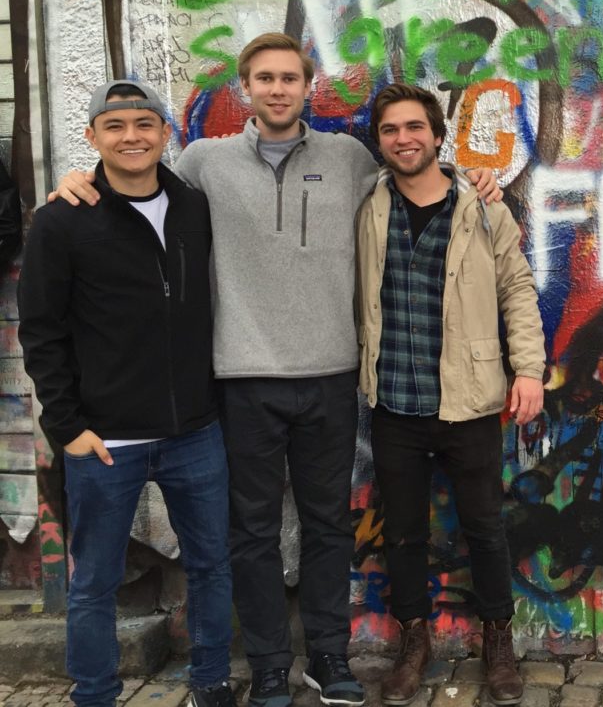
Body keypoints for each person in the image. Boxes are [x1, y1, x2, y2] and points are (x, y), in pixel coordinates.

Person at [52, 35, 501, 707]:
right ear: (246, 89)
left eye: (290, 78)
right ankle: (266, 664)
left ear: (309, 86)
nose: (278, 89)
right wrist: (79, 179)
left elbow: (414, 177)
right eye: (264, 78)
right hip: (242, 379)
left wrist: (475, 177)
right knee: (253, 533)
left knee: (327, 526)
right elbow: (134, 179)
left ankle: (328, 656)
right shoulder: (205, 162)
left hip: (330, 376)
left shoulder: (347, 158)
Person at [20, 81, 233, 707]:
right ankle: (95, 694)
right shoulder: (62, 220)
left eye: (145, 123)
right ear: (92, 138)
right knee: (94, 585)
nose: (132, 136)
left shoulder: (194, 206)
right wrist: (67, 426)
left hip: (194, 431)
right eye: (115, 126)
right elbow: (41, 331)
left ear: (167, 134)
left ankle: (212, 682)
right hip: (105, 438)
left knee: (212, 568)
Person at [355, 84, 545, 706]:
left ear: (437, 136)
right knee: (403, 533)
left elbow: (517, 292)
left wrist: (530, 372)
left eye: (415, 127)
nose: (404, 139)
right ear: (378, 140)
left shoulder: (484, 207)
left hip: (469, 401)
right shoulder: (368, 205)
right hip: (394, 404)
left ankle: (498, 640)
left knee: (485, 528)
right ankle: (415, 642)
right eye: (390, 130)